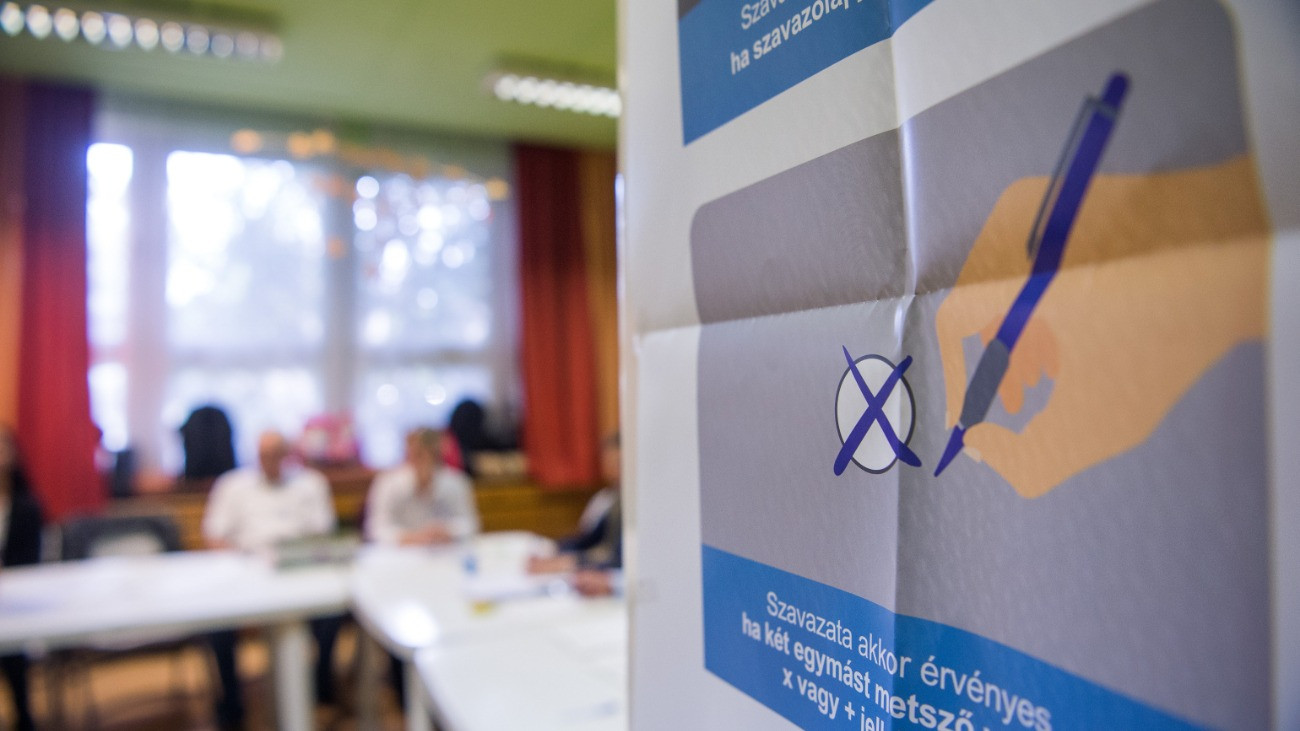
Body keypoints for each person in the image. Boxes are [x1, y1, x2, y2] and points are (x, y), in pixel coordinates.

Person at [201, 430, 340, 729]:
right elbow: (213, 536)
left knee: (334, 610)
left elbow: (324, 534)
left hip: (300, 571)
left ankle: (319, 687)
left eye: (276, 455)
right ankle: (232, 705)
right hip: (245, 573)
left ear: (288, 455)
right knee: (217, 621)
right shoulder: (232, 485)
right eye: (264, 455)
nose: (269, 462)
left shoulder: (310, 483)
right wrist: (245, 556)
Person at [528, 433, 622, 596]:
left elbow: (616, 554)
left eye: (617, 462)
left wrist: (570, 562)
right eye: (608, 461)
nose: (610, 467)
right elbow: (590, 538)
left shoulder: (631, 502)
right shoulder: (608, 497)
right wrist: (556, 549)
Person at [364, 427, 479, 546]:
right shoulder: (387, 483)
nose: (425, 458)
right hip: (400, 552)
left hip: (444, 550)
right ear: (409, 451)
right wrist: (409, 537)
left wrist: (448, 531)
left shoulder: (456, 481)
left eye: (430, 452)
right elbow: (376, 528)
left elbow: (470, 524)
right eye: (419, 453)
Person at [0, 426, 41, 731]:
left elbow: (32, 559)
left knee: (13, 647)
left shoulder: (27, 506)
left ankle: (23, 716)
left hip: (17, 597)